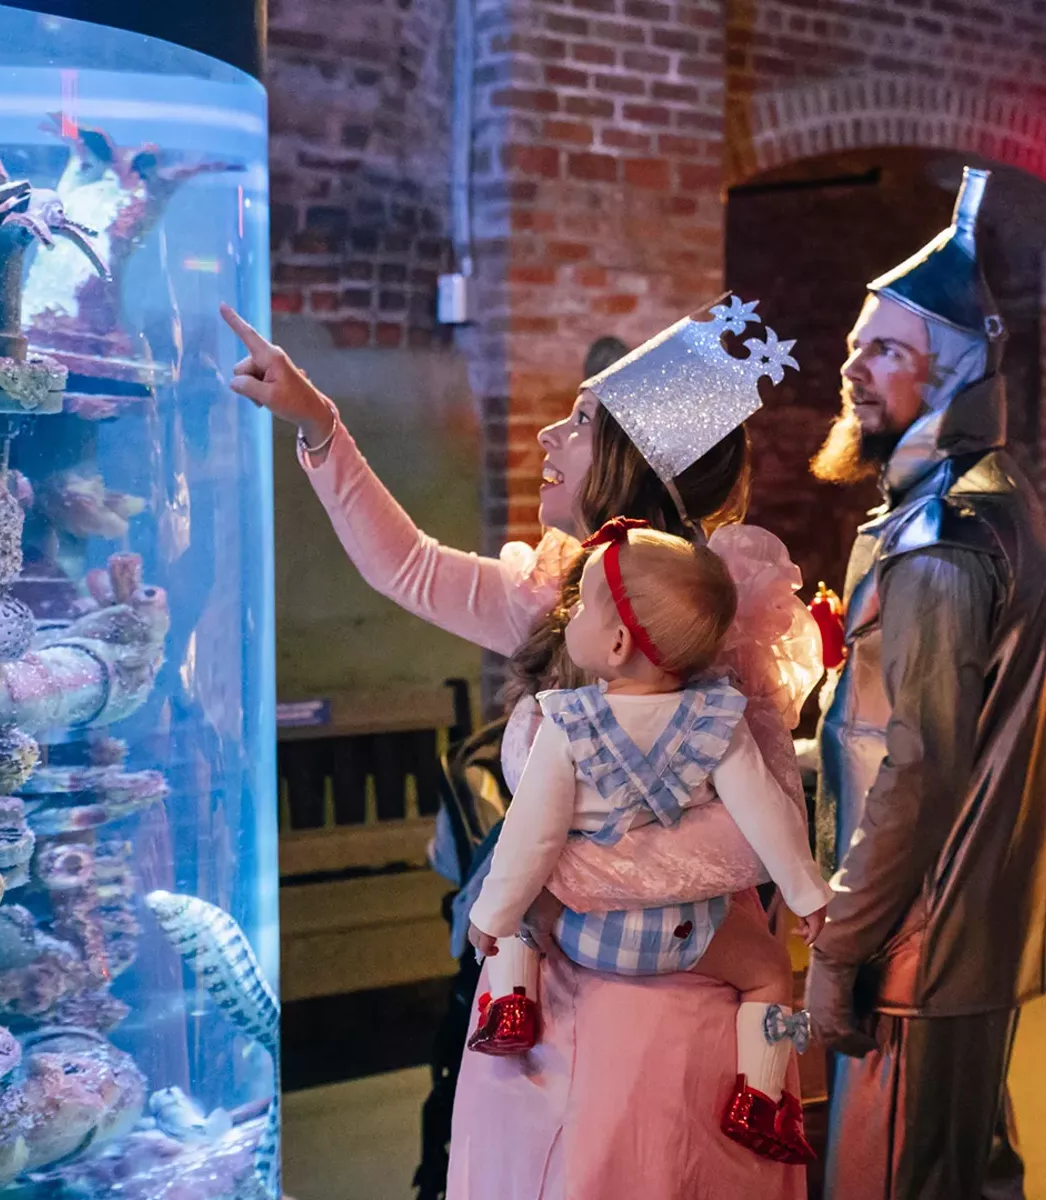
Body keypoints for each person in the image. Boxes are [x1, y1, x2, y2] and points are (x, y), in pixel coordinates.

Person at [221, 295, 822, 1199]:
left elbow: (760, 830)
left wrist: (559, 883)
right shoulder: (554, 598)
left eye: (579, 421)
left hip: (665, 1019)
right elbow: (410, 566)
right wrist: (320, 427)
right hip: (539, 1017)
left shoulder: (719, 626)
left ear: (632, 464)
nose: (547, 434)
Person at [806, 166, 1046, 1200]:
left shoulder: (935, 540)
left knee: (894, 1182)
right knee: (965, 1175)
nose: (851, 366)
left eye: (883, 350)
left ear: (951, 375)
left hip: (918, 942)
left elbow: (913, 770)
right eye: (854, 342)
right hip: (965, 935)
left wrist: (838, 950)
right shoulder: (989, 499)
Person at [467, 520, 831, 1165]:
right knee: (771, 970)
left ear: (614, 644)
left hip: (587, 936)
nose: (569, 613)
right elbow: (768, 816)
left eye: (580, 605)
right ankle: (761, 1100)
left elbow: (530, 837)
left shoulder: (567, 722)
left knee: (524, 894)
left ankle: (511, 1002)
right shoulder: (720, 719)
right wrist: (807, 897)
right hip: (685, 937)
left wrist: (491, 918)